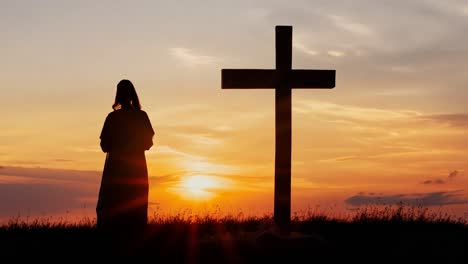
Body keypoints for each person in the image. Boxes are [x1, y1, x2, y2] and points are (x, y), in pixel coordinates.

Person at [96, 79, 155, 231]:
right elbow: (148, 142)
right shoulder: (140, 117)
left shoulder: (113, 117)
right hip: (135, 168)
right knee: (134, 202)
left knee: (117, 202)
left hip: (117, 168)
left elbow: (104, 145)